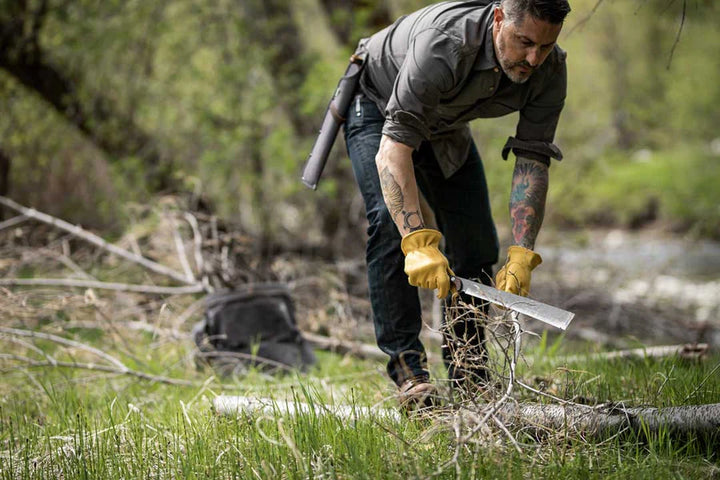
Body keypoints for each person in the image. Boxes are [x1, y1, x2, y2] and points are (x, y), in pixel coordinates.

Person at [343, 0, 571, 408]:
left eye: (546, 46)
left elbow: (532, 161)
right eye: (525, 42)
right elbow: (393, 151)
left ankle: (469, 372)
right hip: (379, 108)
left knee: (478, 242)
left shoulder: (550, 70)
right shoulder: (444, 45)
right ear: (500, 18)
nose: (534, 58)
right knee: (388, 222)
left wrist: (522, 251)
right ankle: (408, 371)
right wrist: (417, 241)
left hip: (445, 126)